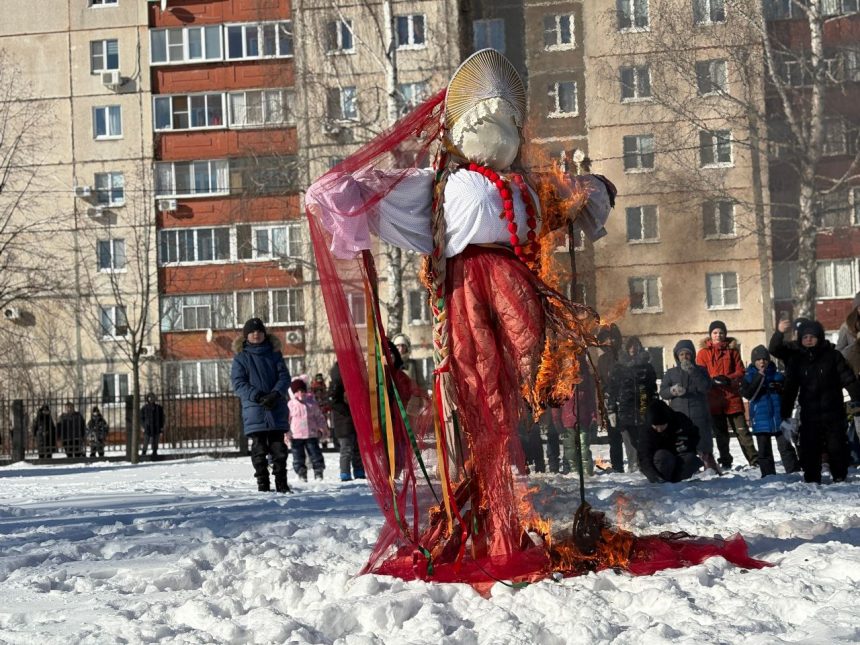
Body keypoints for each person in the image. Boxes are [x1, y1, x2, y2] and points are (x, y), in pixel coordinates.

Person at [305, 49, 614, 574]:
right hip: (465, 294)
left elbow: (583, 198)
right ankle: (486, 522)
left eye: (506, 124)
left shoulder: (527, 185)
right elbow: (345, 193)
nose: (497, 134)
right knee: (478, 401)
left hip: (519, 290)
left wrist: (588, 189)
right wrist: (348, 188)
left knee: (527, 385)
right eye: (483, 122)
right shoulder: (438, 184)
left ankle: (511, 504)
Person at [769, 318, 860, 483]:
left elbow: (848, 379)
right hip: (810, 413)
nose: (808, 339)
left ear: (819, 337)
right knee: (809, 446)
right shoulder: (797, 359)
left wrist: (857, 398)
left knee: (836, 445)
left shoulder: (833, 356)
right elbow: (790, 388)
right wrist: (786, 413)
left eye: (812, 336)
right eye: (805, 337)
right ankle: (812, 477)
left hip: (833, 411)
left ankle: (839, 474)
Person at [231, 317, 292, 493]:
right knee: (259, 450)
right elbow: (239, 383)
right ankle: (263, 484)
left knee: (279, 449)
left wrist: (275, 393)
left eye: (259, 331)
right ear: (246, 336)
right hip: (254, 410)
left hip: (276, 407)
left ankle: (282, 484)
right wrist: (256, 396)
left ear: (264, 334)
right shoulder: (241, 359)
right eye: (252, 332)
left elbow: (284, 377)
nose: (256, 334)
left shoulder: (275, 354)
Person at [696, 320, 757, 469]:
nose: (718, 335)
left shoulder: (733, 351)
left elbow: (741, 372)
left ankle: (754, 460)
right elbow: (700, 374)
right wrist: (713, 381)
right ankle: (725, 461)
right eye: (715, 333)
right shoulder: (703, 353)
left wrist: (728, 379)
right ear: (710, 335)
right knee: (721, 434)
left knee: (742, 432)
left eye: (721, 332)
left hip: (732, 398)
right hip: (714, 399)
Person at [740, 345, 800, 478]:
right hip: (761, 419)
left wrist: (780, 389)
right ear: (753, 361)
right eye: (759, 359)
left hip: (779, 417)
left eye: (765, 359)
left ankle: (794, 472)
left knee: (786, 447)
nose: (762, 362)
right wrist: (759, 377)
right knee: (764, 450)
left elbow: (790, 394)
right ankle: (768, 475)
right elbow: (749, 394)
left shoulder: (778, 375)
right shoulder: (748, 377)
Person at [660, 339, 719, 472]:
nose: (684, 357)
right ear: (677, 356)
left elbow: (705, 387)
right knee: (682, 446)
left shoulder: (701, 370)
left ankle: (709, 469)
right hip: (679, 416)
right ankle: (685, 469)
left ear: (692, 355)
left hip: (699, 415)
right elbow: (663, 392)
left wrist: (693, 372)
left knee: (703, 445)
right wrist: (672, 391)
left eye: (687, 354)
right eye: (681, 354)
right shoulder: (671, 373)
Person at [606, 336, 657, 473]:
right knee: (629, 442)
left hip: (643, 408)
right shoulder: (619, 367)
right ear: (626, 348)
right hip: (624, 409)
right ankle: (633, 466)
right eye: (630, 346)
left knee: (643, 440)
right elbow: (612, 390)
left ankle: (644, 466)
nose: (633, 349)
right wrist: (611, 410)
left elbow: (652, 389)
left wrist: (654, 408)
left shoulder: (646, 367)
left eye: (635, 346)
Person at [638, 400, 702, 484]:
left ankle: (677, 483)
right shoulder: (646, 431)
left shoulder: (680, 420)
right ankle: (662, 483)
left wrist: (686, 444)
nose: (659, 430)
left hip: (679, 457)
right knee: (663, 456)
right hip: (660, 462)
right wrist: (653, 476)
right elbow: (644, 456)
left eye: (662, 426)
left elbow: (694, 436)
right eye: (656, 427)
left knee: (691, 459)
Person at [328, 361, 365, 482]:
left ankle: (359, 471)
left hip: (354, 419)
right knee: (346, 449)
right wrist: (349, 411)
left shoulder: (354, 380)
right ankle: (345, 473)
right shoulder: (337, 381)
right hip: (343, 421)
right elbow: (334, 401)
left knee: (357, 448)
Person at [595, 324, 625, 472]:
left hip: (626, 401)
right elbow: (600, 382)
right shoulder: (602, 360)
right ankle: (618, 467)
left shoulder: (622, 356)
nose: (610, 341)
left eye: (612, 338)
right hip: (610, 403)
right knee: (614, 437)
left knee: (630, 436)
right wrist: (603, 403)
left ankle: (637, 465)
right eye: (607, 339)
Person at [287, 377, 328, 482]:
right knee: (298, 456)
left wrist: (323, 428)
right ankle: (301, 473)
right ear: (293, 392)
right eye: (297, 391)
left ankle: (318, 471)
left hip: (311, 434)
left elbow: (319, 417)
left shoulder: (311, 403)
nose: (300, 393)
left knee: (315, 454)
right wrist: (286, 433)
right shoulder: (291, 405)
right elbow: (286, 420)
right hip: (296, 435)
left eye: (302, 391)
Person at [140, 393, 165, 460]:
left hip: (156, 427)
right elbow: (141, 418)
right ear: (147, 399)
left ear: (154, 399)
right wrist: (143, 426)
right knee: (146, 441)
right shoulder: (144, 408)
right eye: (149, 398)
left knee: (155, 441)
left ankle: (155, 453)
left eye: (152, 398)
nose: (151, 399)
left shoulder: (158, 408)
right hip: (147, 427)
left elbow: (162, 418)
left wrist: (161, 426)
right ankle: (143, 453)